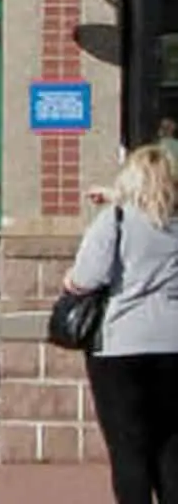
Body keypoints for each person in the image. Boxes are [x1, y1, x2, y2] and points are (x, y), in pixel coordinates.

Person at [63, 144, 178, 504]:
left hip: (120, 344)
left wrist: (69, 281)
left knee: (129, 448)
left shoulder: (114, 220)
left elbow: (85, 279)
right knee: (171, 445)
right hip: (173, 342)